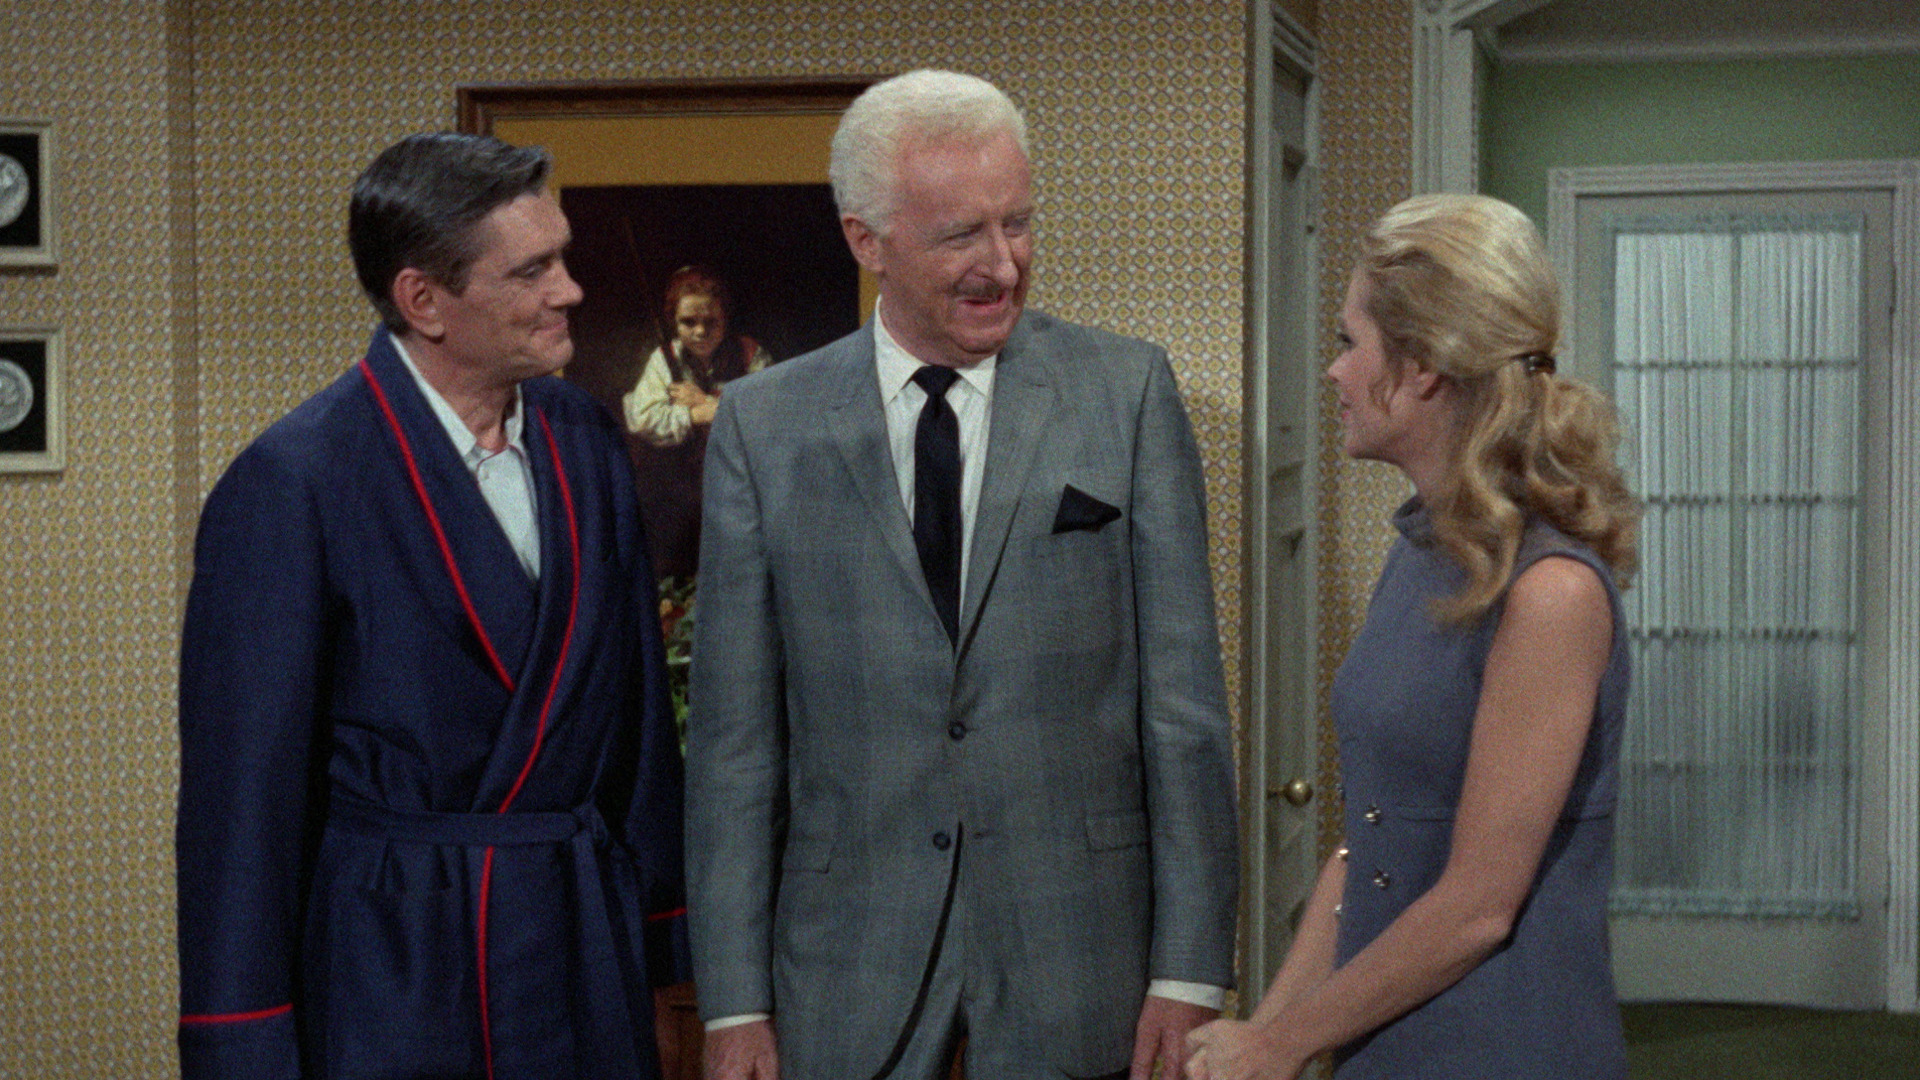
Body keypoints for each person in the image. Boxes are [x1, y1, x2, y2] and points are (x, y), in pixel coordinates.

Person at [684, 70, 1239, 1080]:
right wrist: (732, 1002)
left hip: (1083, 963)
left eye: (1017, 223)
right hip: (843, 975)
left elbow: (1185, 714)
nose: (1002, 264)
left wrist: (1190, 970)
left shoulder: (1127, 394)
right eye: (960, 236)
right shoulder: (765, 428)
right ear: (867, 241)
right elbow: (734, 747)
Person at [175, 132, 689, 1080]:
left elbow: (640, 725)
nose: (570, 290)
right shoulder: (294, 481)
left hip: (582, 953)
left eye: (563, 258)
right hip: (394, 974)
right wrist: (242, 1044)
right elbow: (242, 807)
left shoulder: (584, 438)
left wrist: (661, 954)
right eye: (532, 271)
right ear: (423, 301)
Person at [1184, 193, 1640, 1080]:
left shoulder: (1550, 592)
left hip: (1502, 1045)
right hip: (1386, 1033)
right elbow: (1367, 843)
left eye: (1349, 342)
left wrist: (1279, 1044)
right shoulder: (1427, 550)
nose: (1334, 372)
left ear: (1424, 366)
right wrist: (1268, 1033)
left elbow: (1478, 906)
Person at [622, 265, 772, 579]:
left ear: (725, 318)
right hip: (681, 491)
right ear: (674, 321)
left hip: (741, 488)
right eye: (688, 322)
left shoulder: (750, 354)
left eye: (711, 322)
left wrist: (708, 404)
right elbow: (643, 419)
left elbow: (768, 418)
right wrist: (692, 415)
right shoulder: (664, 359)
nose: (701, 332)